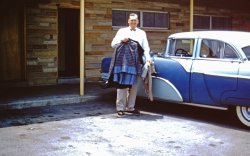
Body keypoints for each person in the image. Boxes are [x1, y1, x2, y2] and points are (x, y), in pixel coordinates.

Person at [111, 13, 151, 117]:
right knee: (122, 85)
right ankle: (120, 108)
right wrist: (121, 40)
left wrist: (148, 59)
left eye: (135, 20)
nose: (133, 22)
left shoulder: (142, 33)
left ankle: (130, 107)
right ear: (128, 21)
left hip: (137, 62)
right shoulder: (121, 31)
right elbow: (113, 44)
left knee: (134, 85)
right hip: (123, 62)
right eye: (131, 20)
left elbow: (146, 48)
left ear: (138, 22)